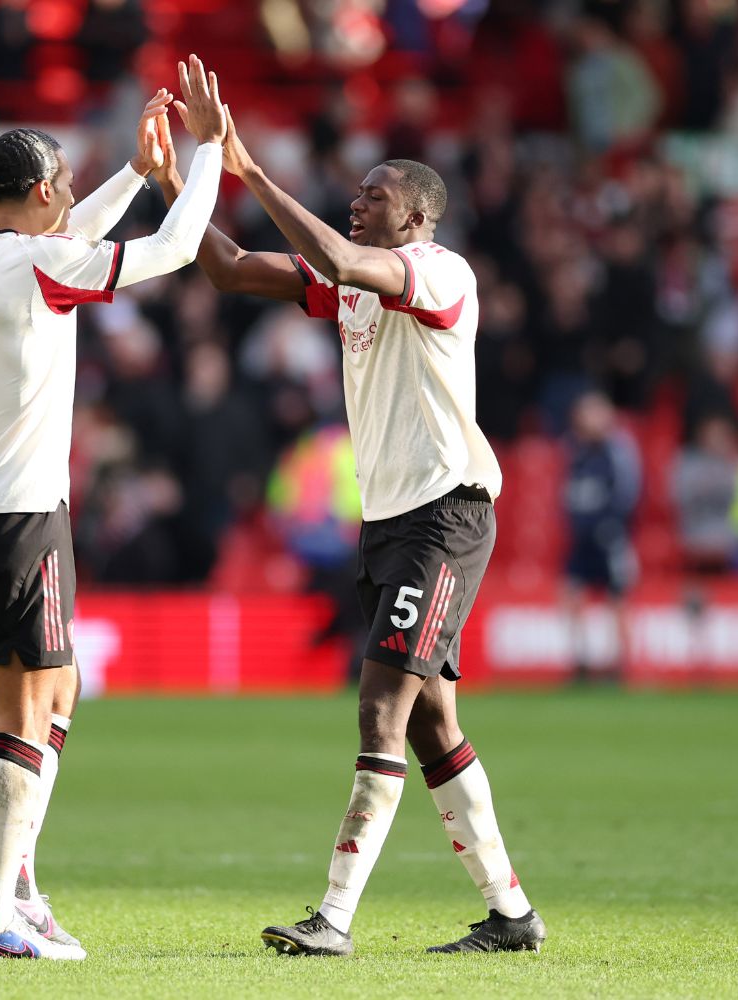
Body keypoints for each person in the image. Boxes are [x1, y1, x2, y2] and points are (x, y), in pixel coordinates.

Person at [151, 105, 545, 955]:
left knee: (380, 710)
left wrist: (250, 170)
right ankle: (512, 915)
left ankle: (332, 918)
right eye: (357, 194)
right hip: (392, 522)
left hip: (444, 516)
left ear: (418, 215)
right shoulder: (356, 283)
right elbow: (227, 269)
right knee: (432, 724)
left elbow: (335, 255)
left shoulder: (440, 272)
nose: (359, 203)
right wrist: (174, 181)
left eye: (376, 196)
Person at [0, 56, 229, 961]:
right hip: (17, 514)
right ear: (37, 191)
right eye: (62, 180)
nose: (68, 192)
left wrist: (134, 171)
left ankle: (16, 885)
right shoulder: (35, 264)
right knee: (22, 718)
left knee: (58, 693)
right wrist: (208, 151)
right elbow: (174, 249)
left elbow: (64, 243)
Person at [562, 391, 641, 682]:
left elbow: (628, 492)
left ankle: (619, 662)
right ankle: (580, 660)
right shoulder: (577, 452)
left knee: (617, 597)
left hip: (610, 538)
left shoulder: (617, 451)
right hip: (582, 539)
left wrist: (612, 527)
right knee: (571, 593)